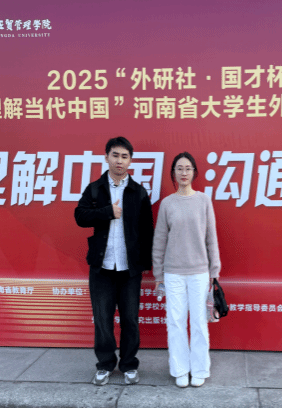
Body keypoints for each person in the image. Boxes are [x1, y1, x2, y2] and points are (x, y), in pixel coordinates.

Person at [75, 136, 154, 386]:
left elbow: (147, 231)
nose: (120, 160)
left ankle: (129, 364)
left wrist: (145, 265)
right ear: (106, 157)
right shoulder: (95, 189)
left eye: (124, 156)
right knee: (102, 319)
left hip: (129, 270)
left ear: (130, 161)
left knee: (130, 319)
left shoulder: (138, 192)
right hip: (102, 268)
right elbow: (80, 216)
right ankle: (105, 364)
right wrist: (107, 212)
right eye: (115, 155)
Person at [152, 152, 221, 388]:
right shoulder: (167, 204)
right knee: (176, 322)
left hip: (199, 272)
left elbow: (211, 237)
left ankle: (200, 368)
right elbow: (159, 240)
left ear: (194, 172)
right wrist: (158, 274)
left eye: (188, 168)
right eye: (179, 168)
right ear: (173, 173)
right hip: (173, 273)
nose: (183, 173)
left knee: (199, 322)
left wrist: (214, 271)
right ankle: (180, 369)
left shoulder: (203, 201)